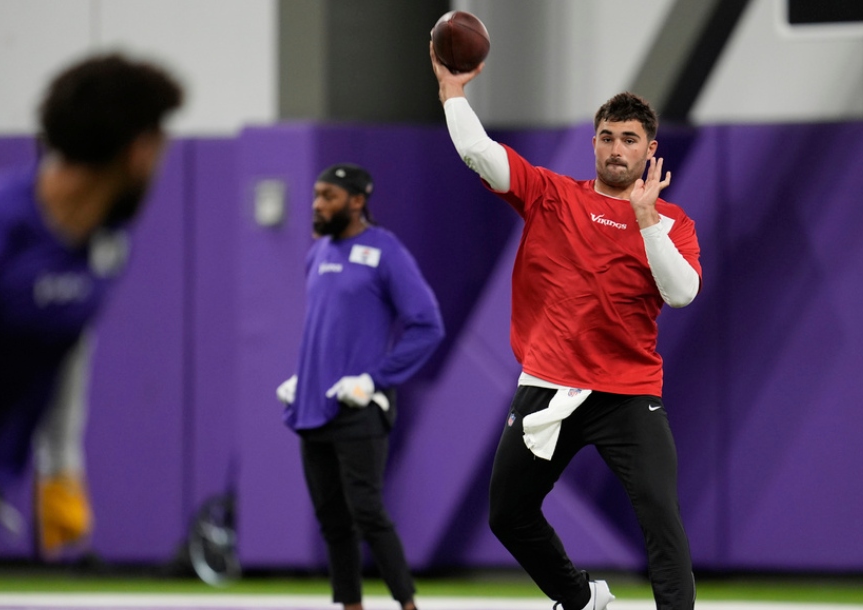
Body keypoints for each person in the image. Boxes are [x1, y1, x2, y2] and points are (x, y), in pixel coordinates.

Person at [430, 45, 702, 610]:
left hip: (628, 395)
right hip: (550, 384)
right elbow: (478, 151)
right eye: (607, 136)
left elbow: (682, 294)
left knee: (660, 517)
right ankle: (580, 598)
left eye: (629, 139)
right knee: (507, 513)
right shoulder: (552, 195)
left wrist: (649, 221)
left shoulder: (671, 221)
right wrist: (453, 90)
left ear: (650, 149)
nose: (616, 148)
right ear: (594, 142)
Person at [0, 53, 184, 547]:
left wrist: (61, 468)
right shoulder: (1, 228)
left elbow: (66, 351)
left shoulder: (105, 244)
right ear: (140, 152)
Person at [276, 163, 444, 610]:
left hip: (360, 409)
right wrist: (304, 376)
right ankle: (351, 606)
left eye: (328, 195)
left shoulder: (385, 250)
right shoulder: (317, 252)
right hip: (315, 406)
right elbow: (326, 328)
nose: (317, 204)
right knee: (332, 521)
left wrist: (375, 379)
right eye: (315, 194)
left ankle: (408, 605)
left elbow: (427, 325)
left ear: (356, 200)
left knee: (367, 513)